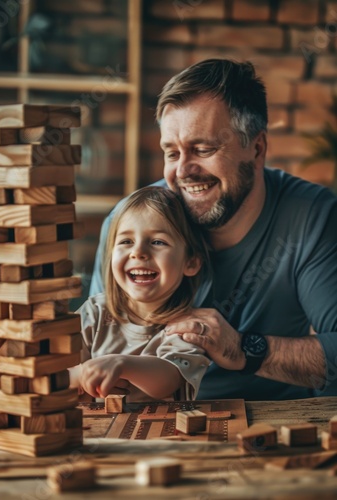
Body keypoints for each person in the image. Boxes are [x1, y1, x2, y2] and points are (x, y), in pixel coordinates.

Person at [89, 58, 337, 401]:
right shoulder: (127, 225)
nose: (183, 171)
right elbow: (99, 345)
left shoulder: (313, 216)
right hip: (146, 421)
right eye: (171, 153)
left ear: (257, 148)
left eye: (203, 149)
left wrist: (241, 350)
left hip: (271, 421)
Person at [69, 186, 210, 402]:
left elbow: (170, 377)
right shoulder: (95, 312)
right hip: (96, 432)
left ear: (190, 262)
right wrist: (79, 375)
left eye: (157, 242)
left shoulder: (188, 327)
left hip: (163, 433)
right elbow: (58, 372)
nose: (138, 252)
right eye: (126, 241)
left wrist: (122, 365)